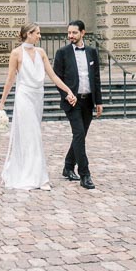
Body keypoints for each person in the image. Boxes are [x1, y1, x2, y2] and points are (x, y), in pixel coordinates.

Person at [0, 23, 78, 191]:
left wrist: (68, 90)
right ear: (28, 34)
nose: (40, 36)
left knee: (33, 134)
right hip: (24, 97)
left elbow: (53, 76)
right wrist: (2, 102)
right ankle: (38, 178)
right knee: (32, 135)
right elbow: (10, 79)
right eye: (38, 33)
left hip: (37, 97)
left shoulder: (41, 53)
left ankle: (33, 173)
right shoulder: (16, 54)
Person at [53, 19, 103, 190]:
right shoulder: (62, 53)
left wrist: (99, 101)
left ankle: (68, 167)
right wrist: (67, 95)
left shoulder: (91, 52)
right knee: (79, 134)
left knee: (79, 136)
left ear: (83, 33)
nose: (70, 36)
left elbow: (96, 78)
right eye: (69, 33)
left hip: (88, 100)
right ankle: (85, 174)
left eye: (74, 33)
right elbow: (57, 79)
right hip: (72, 102)